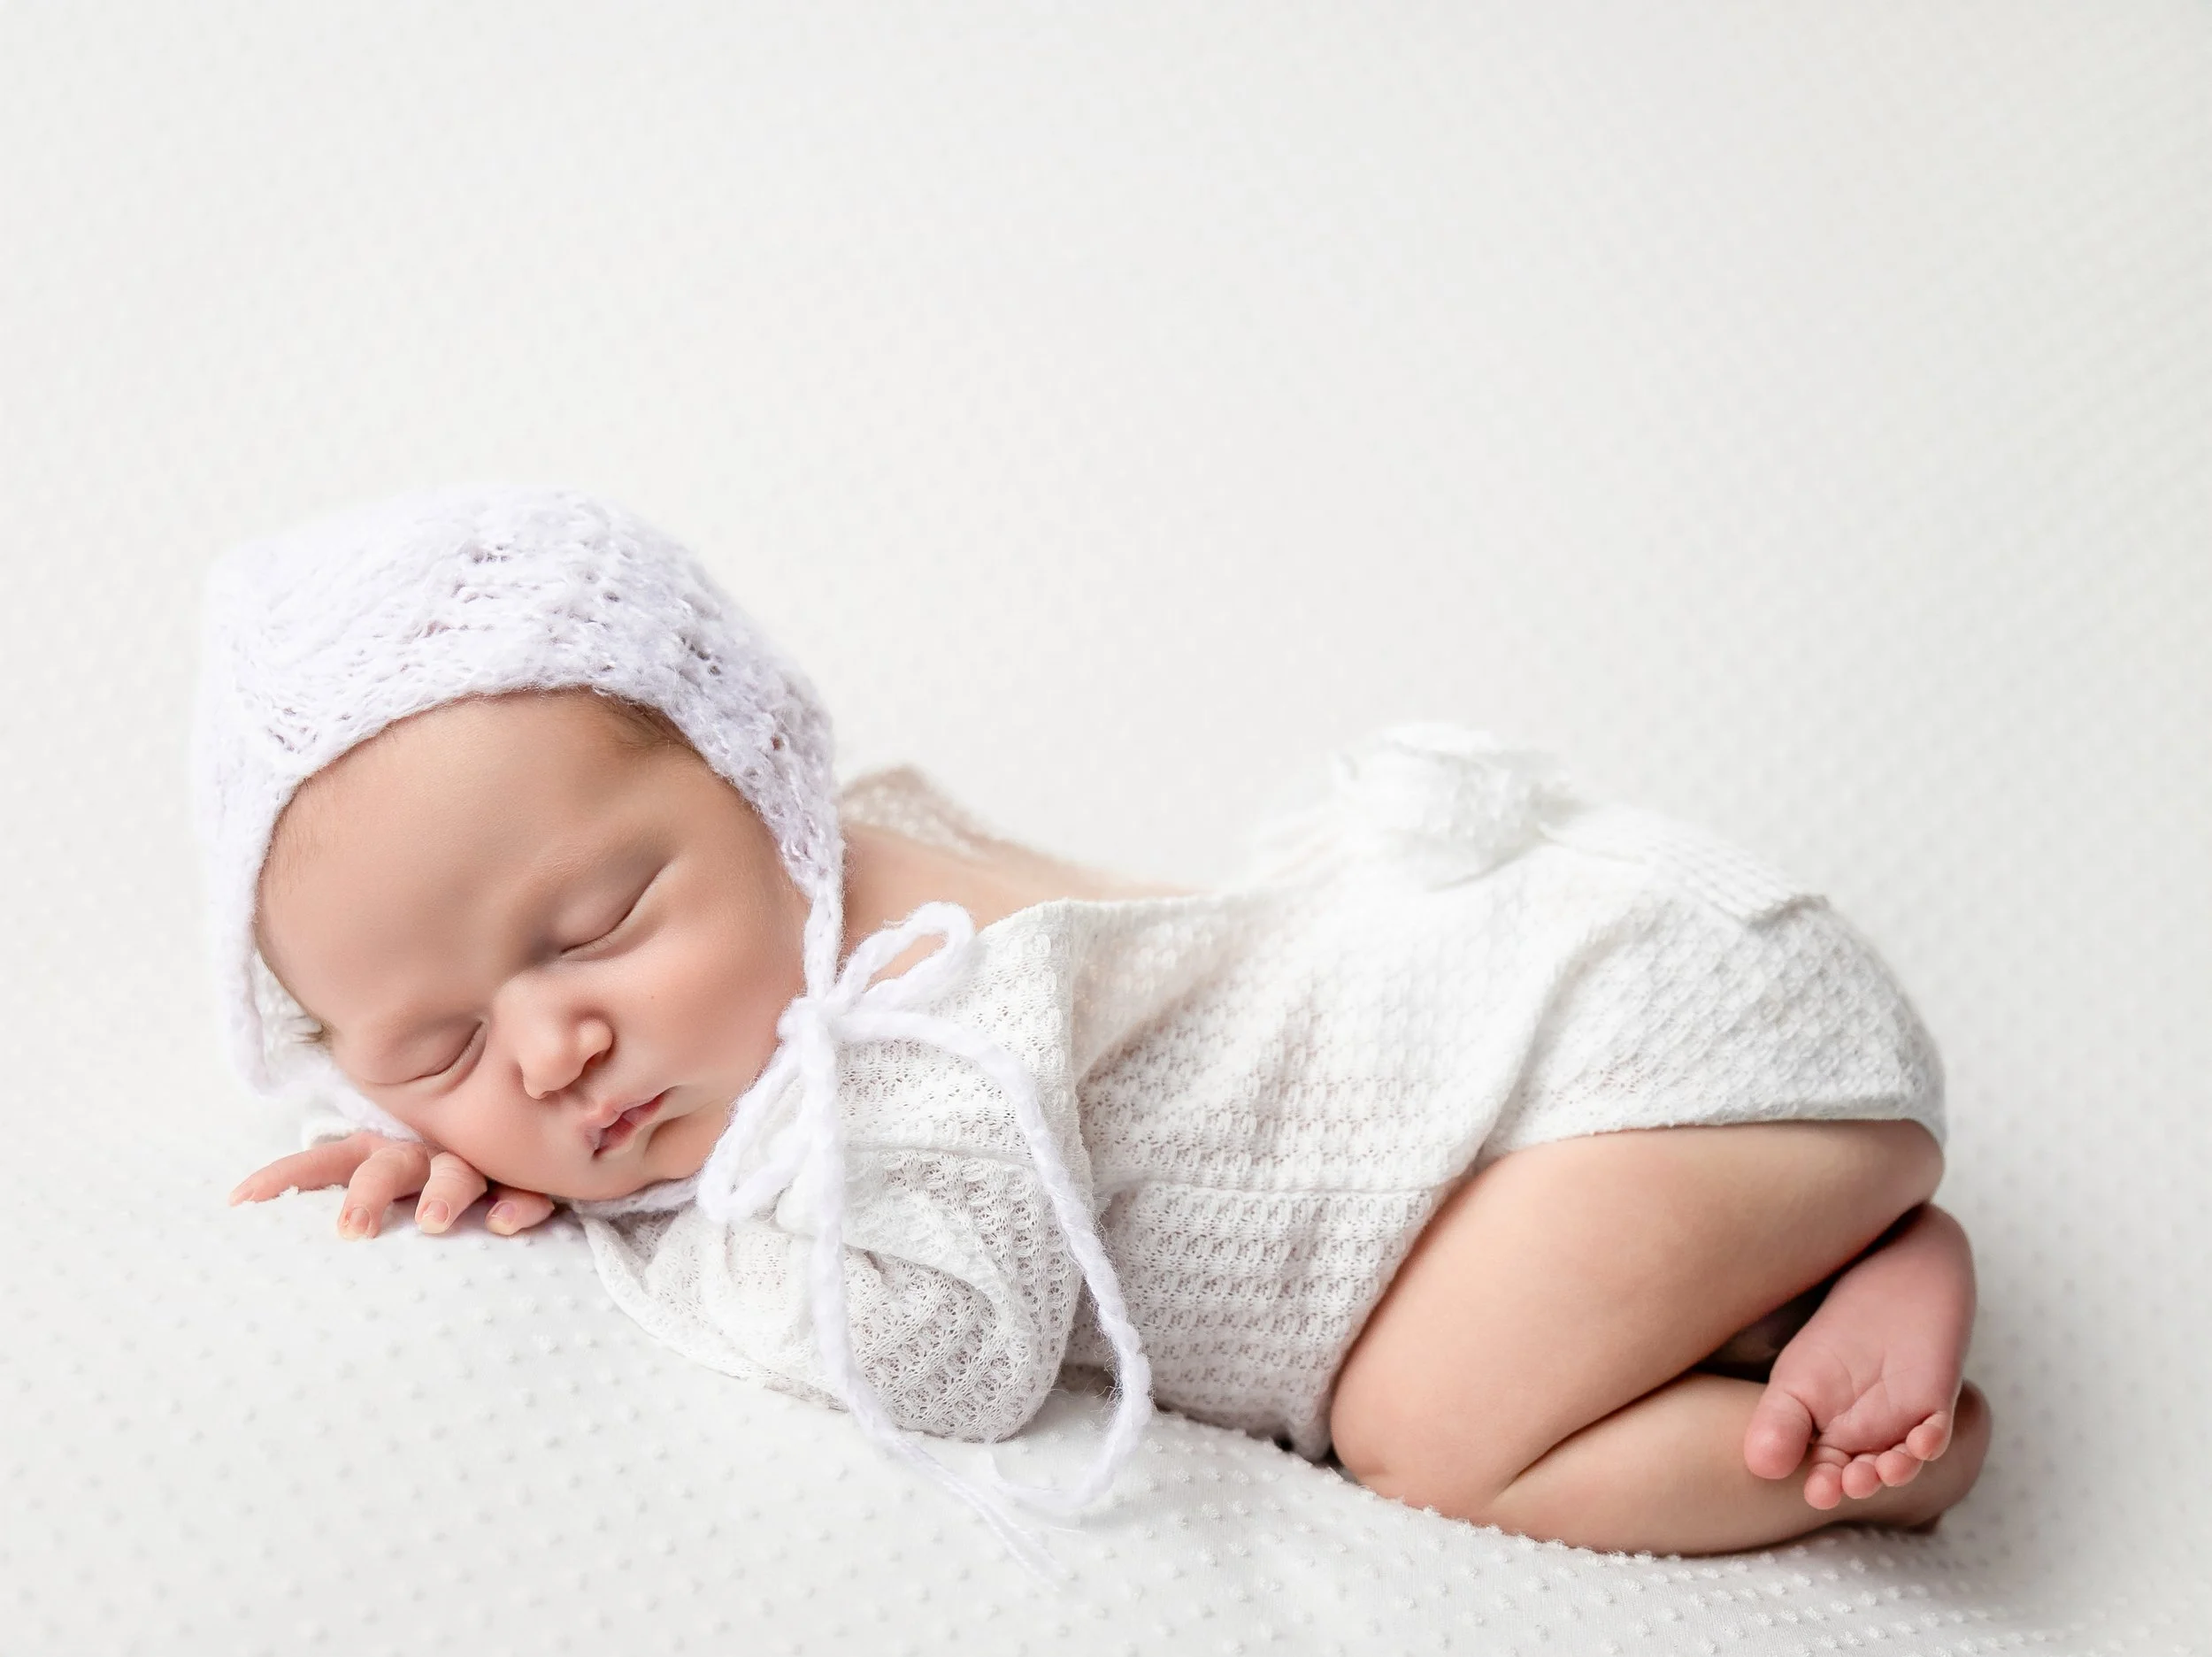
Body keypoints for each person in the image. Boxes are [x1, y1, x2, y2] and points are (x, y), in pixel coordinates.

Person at [203, 484, 1988, 1576]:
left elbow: (938, 1352)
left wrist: (609, 1211)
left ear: (768, 780)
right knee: (1472, 1319)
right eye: (434, 1049)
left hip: (1633, 1039)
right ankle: (1823, 1273)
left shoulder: (926, 997)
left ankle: (1888, 1468)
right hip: (1586, 1119)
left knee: (1421, 1430)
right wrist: (484, 1155)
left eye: (593, 929)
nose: (549, 1053)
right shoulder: (768, 945)